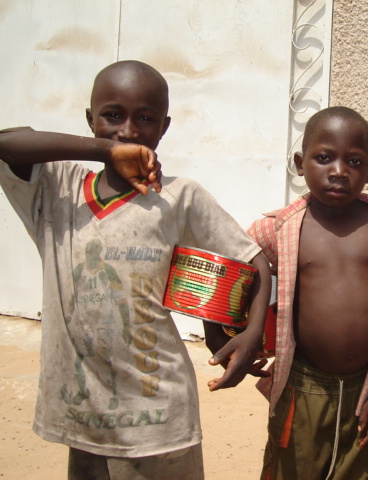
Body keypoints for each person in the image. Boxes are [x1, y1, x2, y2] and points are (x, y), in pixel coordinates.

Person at [0, 60, 271, 480]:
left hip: (159, 417)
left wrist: (248, 333)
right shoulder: (58, 189)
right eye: (112, 115)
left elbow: (253, 261)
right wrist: (104, 151)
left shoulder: (178, 196)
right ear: (90, 120)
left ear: (164, 127)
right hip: (84, 412)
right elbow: (7, 143)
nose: (127, 130)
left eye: (145, 118)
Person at [248, 106, 368, 480]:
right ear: (301, 163)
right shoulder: (280, 227)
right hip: (302, 388)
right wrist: (227, 336)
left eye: (354, 161)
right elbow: (235, 264)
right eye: (324, 158)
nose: (339, 171)